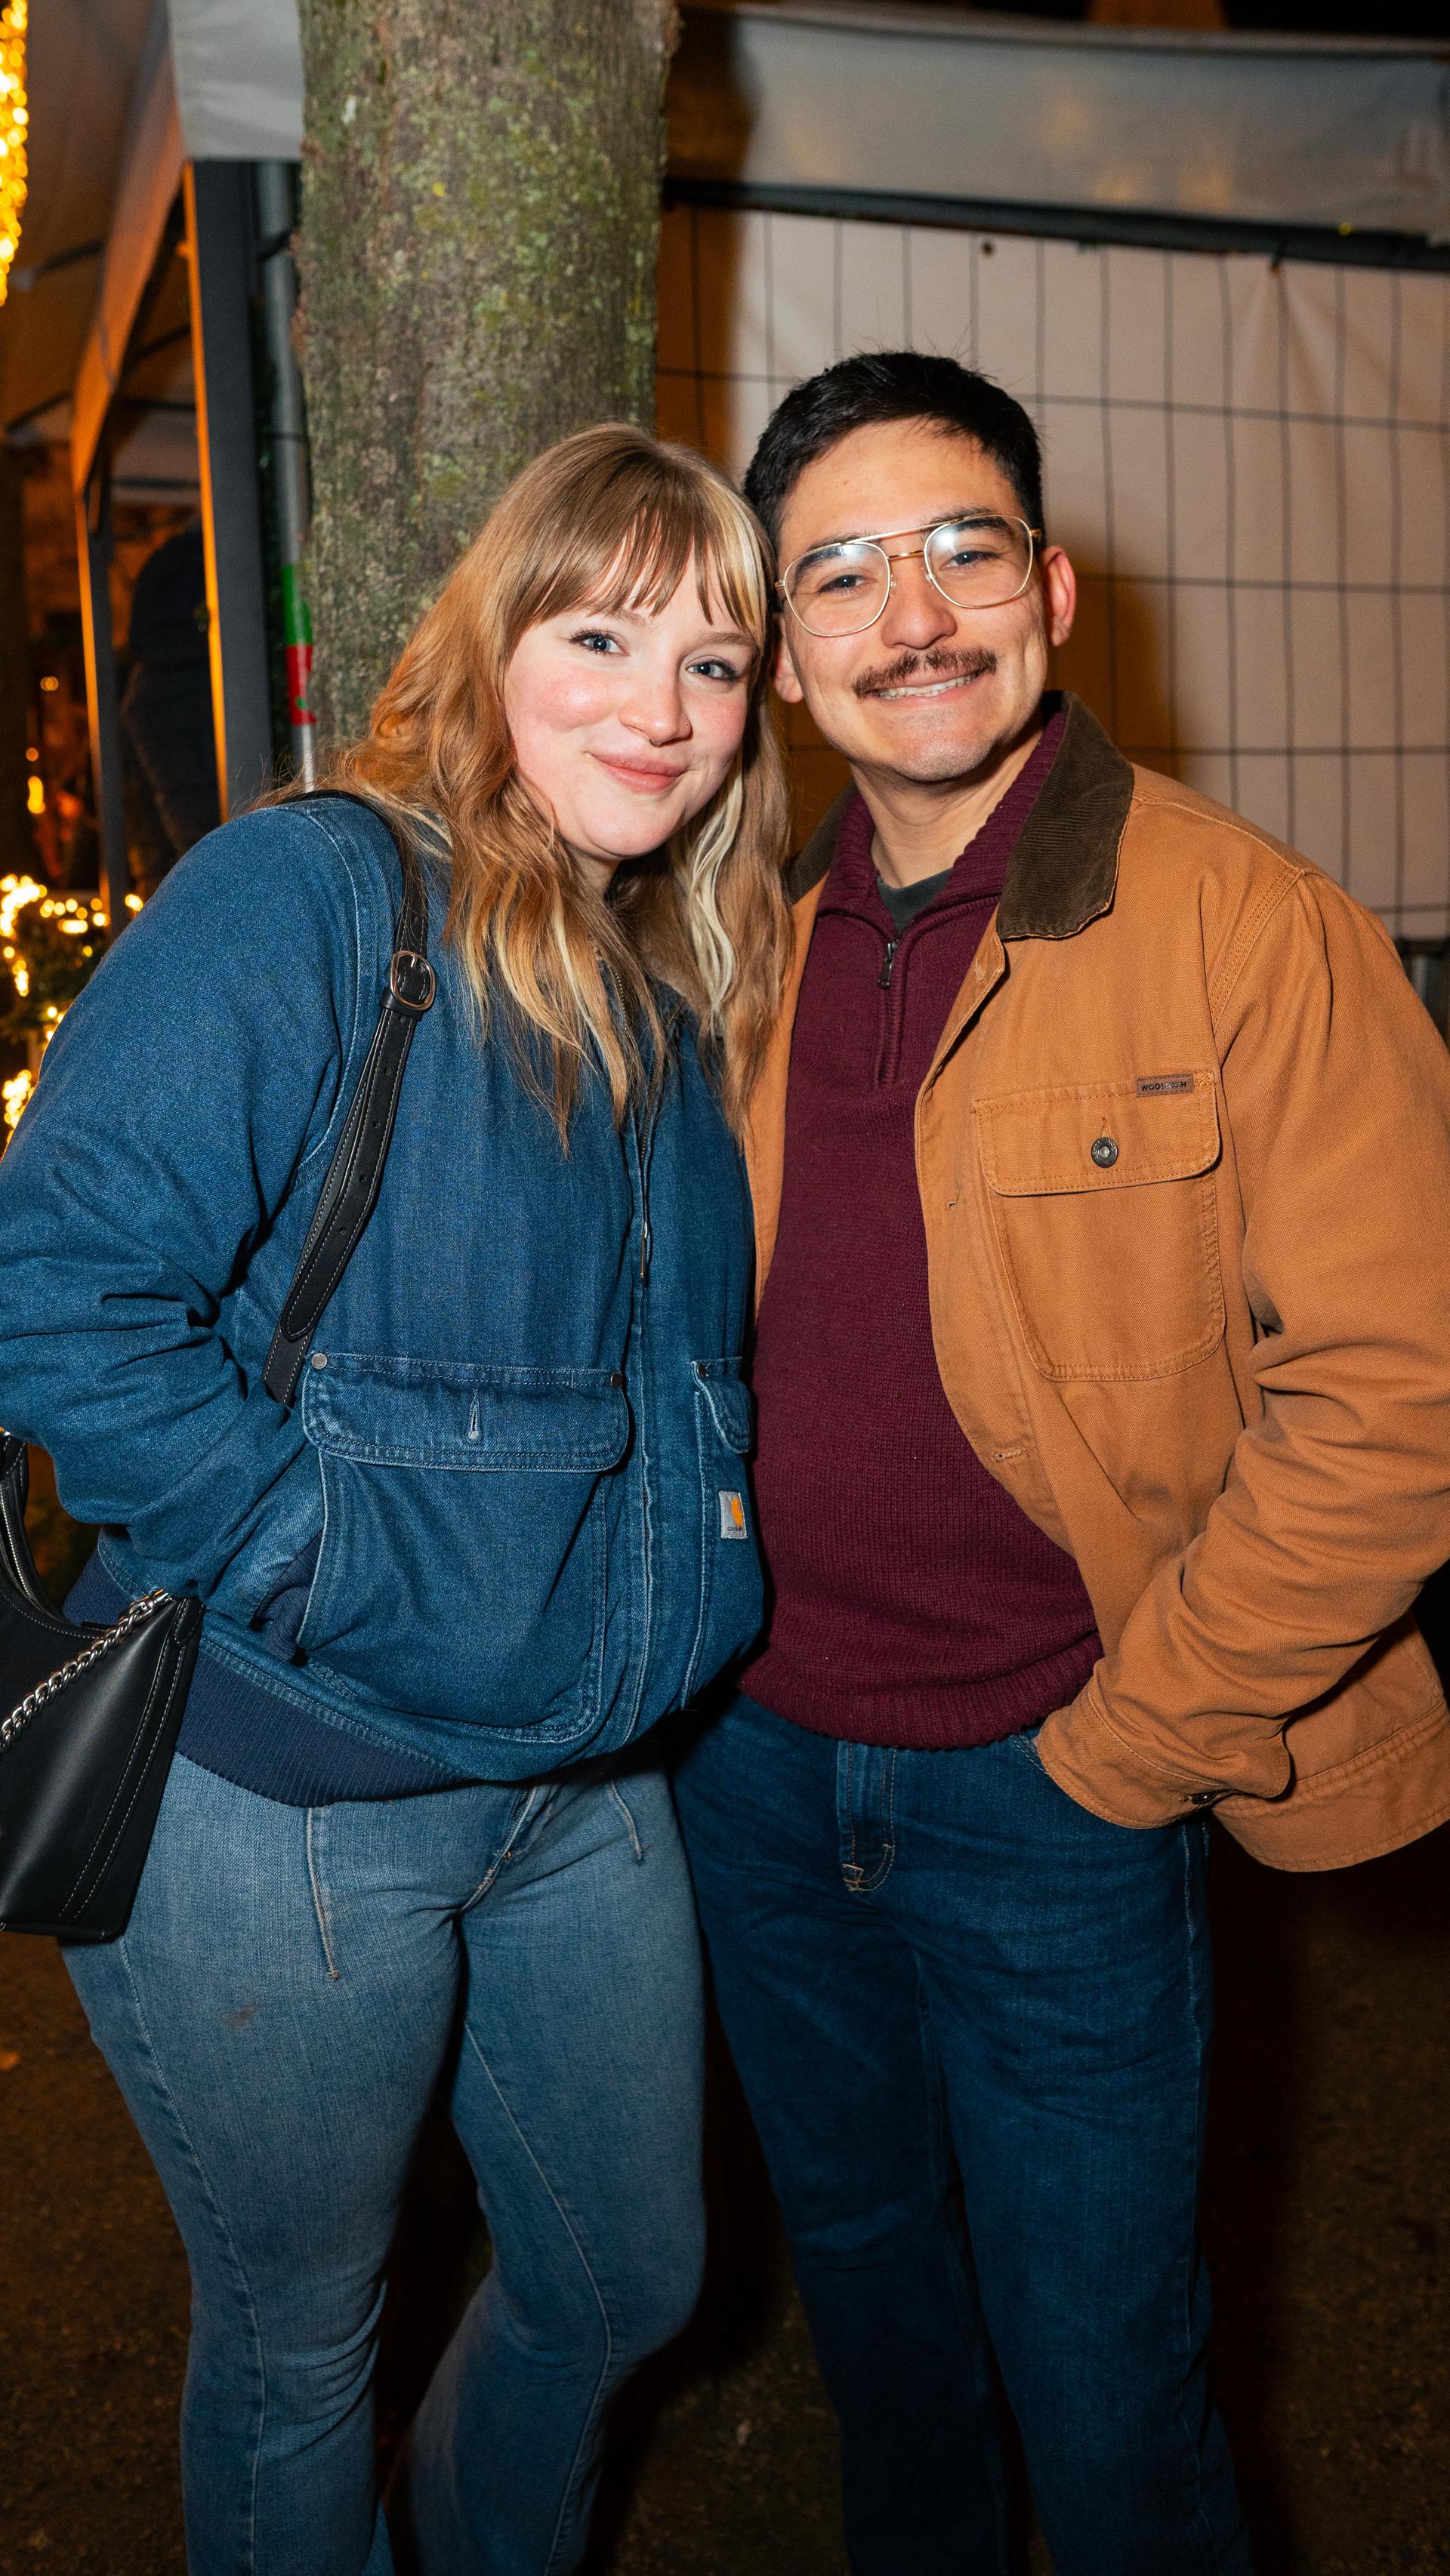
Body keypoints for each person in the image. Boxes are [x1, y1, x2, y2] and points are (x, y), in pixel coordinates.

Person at [672, 350, 1450, 2576]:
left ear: (1053, 585)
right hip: (752, 1779)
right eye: (840, 572)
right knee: (889, 2349)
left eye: (958, 549)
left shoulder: (1252, 929)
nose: (908, 613)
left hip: (1057, 1789)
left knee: (1111, 2413)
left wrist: (1129, 1748)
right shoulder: (735, 945)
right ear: (787, 653)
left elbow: (1404, 1399)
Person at [0, 424, 791, 2576]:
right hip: (288, 1802)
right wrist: (321, 1555)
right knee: (297, 2346)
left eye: (717, 663)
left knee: (633, 2272)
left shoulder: (657, 976)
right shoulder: (321, 893)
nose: (663, 705)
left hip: (580, 1785)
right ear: (492, 640)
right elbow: (57, 1291)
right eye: (606, 632)